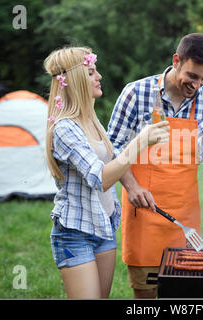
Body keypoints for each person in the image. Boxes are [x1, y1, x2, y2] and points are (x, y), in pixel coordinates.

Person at [107, 33, 203, 298]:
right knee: (145, 296)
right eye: (193, 76)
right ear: (176, 60)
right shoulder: (136, 93)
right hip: (142, 214)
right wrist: (131, 186)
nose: (197, 85)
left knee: (182, 296)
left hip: (184, 219)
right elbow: (113, 148)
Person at [44, 46, 169, 299]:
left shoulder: (91, 119)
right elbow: (100, 178)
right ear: (77, 80)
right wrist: (140, 142)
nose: (99, 76)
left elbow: (112, 160)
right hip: (75, 233)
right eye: (91, 73)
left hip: (104, 227)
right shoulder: (64, 128)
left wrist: (135, 184)